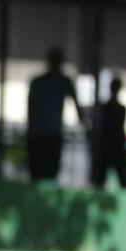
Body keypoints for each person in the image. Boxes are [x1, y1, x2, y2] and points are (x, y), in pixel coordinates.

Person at [26, 47, 86, 181]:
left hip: (44, 135)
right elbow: (30, 109)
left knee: (42, 173)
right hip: (43, 135)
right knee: (43, 173)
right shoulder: (50, 82)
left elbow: (30, 109)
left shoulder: (55, 82)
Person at [91, 77, 126, 188]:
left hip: (115, 147)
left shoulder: (121, 109)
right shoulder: (106, 108)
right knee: (100, 179)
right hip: (106, 148)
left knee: (122, 179)